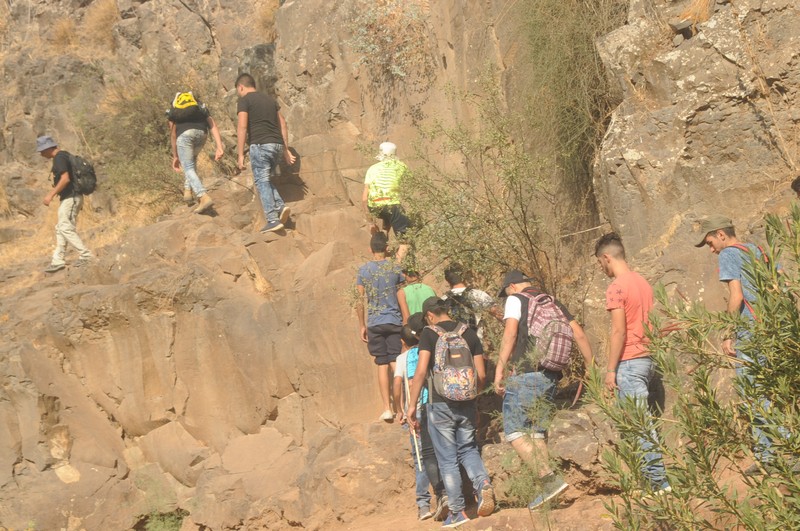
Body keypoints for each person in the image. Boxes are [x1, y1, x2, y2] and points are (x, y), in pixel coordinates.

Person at [492, 270, 595, 510]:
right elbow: (578, 333)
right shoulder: (552, 301)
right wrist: (592, 367)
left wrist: (499, 370)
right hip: (550, 376)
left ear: (512, 287)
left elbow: (510, 334)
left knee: (515, 432)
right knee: (535, 433)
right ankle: (550, 492)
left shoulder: (516, 300)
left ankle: (550, 481)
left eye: (505, 292)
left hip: (526, 375)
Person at [695, 215, 780, 474]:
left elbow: (736, 296)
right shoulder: (757, 249)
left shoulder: (729, 254)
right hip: (771, 328)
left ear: (721, 234)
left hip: (750, 330)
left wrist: (729, 332)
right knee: (771, 390)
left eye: (711, 242)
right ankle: (778, 451)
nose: (712, 250)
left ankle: (774, 455)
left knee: (753, 392)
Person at [407, 297, 496, 528]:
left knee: (447, 458)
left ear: (429, 315)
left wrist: (411, 406)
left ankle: (457, 512)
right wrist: (472, 400)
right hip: (466, 402)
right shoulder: (469, 332)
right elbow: (482, 374)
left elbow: (419, 372)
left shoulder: (429, 334)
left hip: (439, 404)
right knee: (468, 449)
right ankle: (483, 482)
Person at [594, 232, 670, 493]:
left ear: (607, 258)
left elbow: (619, 332)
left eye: (599, 263)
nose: (601, 269)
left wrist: (610, 370)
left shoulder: (616, 287)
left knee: (639, 424)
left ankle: (658, 483)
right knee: (644, 421)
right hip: (649, 359)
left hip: (629, 361)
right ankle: (652, 479)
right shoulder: (642, 282)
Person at [393, 314, 448, 522]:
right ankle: (447, 494)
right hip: (435, 405)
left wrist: (399, 408)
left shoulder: (402, 359)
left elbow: (397, 385)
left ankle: (424, 504)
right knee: (441, 451)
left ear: (402, 342)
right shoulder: (430, 350)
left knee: (421, 458)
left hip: (414, 410)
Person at [235, 73, 296, 233]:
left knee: (261, 181)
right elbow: (282, 123)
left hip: (261, 145)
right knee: (265, 179)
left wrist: (240, 154)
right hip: (276, 145)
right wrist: (285, 149)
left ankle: (272, 219)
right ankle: (280, 206)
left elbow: (241, 127)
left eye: (238, 91)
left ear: (241, 87)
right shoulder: (270, 100)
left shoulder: (244, 100)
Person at [356, 232, 405, 421]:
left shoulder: (364, 270)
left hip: (375, 322)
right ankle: (403, 404)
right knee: (396, 362)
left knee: (382, 363)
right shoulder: (394, 267)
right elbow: (401, 294)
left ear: (370, 249)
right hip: (393, 320)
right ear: (387, 249)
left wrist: (362, 325)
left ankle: (387, 408)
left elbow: (359, 300)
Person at [37, 135, 93, 273]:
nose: (40, 153)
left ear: (49, 148)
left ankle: (86, 255)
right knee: (60, 228)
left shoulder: (59, 158)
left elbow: (65, 179)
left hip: (71, 197)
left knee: (64, 227)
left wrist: (50, 194)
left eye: (42, 150)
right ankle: (58, 260)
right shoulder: (64, 155)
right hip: (70, 197)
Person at [168, 91, 225, 213]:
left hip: (184, 136)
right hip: (202, 134)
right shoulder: (199, 106)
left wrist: (175, 156)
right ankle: (187, 191)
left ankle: (202, 196)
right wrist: (219, 146)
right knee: (192, 161)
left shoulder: (174, 111)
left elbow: (173, 134)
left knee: (187, 167)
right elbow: (212, 125)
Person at [362, 142, 412, 262]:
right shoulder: (401, 166)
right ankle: (395, 267)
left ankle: (382, 240)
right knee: (406, 240)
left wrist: (371, 222)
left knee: (387, 215)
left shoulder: (372, 169)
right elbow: (411, 184)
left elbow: (364, 198)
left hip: (374, 205)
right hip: (392, 204)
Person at [441, 264, 499, 338]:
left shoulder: (443, 300)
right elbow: (498, 313)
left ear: (447, 280)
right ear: (463, 276)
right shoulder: (477, 294)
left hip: (454, 345)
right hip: (476, 342)